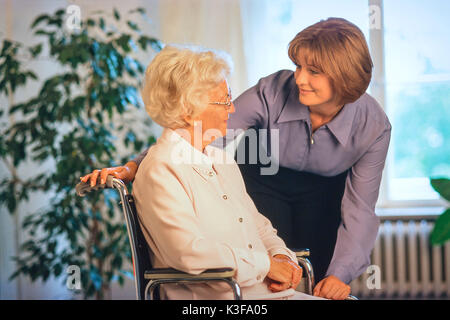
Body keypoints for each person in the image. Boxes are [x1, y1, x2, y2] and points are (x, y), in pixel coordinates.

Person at [82, 18, 390, 300]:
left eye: (314, 71)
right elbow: (195, 132)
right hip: (264, 175)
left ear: (343, 77)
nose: (299, 79)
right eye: (297, 66)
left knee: (319, 278)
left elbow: (359, 210)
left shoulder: (372, 126)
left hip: (323, 191)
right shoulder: (270, 94)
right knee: (266, 271)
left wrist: (326, 270)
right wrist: (134, 166)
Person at [121, 44, 324, 300]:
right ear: (187, 108)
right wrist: (267, 266)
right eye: (224, 100)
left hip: (261, 294)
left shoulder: (221, 159)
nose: (232, 109)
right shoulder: (161, 168)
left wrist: (281, 255)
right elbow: (190, 253)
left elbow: (258, 226)